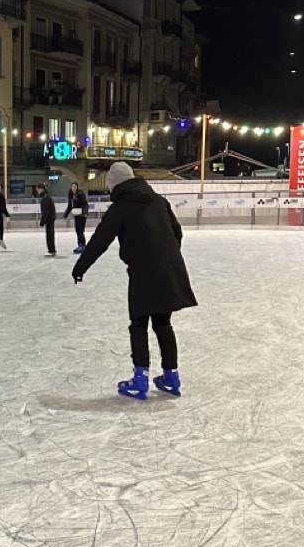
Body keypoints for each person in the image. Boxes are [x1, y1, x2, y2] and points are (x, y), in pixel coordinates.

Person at [72, 161, 196, 400]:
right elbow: (177, 231)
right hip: (169, 268)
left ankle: (140, 379)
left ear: (115, 184)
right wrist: (165, 255)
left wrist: (80, 267)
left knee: (139, 323)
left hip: (142, 271)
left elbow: (100, 240)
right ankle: (171, 377)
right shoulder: (159, 201)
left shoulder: (121, 207)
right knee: (163, 323)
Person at [62, 181, 89, 253]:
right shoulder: (70, 195)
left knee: (80, 230)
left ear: (77, 187)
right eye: (72, 186)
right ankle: (80, 245)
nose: (73, 188)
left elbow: (85, 204)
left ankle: (82, 245)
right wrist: (65, 215)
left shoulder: (80, 194)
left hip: (82, 215)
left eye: (75, 186)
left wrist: (84, 212)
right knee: (77, 230)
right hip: (76, 215)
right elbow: (70, 206)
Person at [37, 183, 57, 256]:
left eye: (38, 189)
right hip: (50, 218)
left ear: (41, 189)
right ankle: (52, 250)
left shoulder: (45, 198)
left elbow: (46, 211)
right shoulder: (46, 196)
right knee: (50, 235)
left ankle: (51, 250)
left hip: (49, 219)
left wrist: (42, 222)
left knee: (49, 235)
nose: (37, 191)